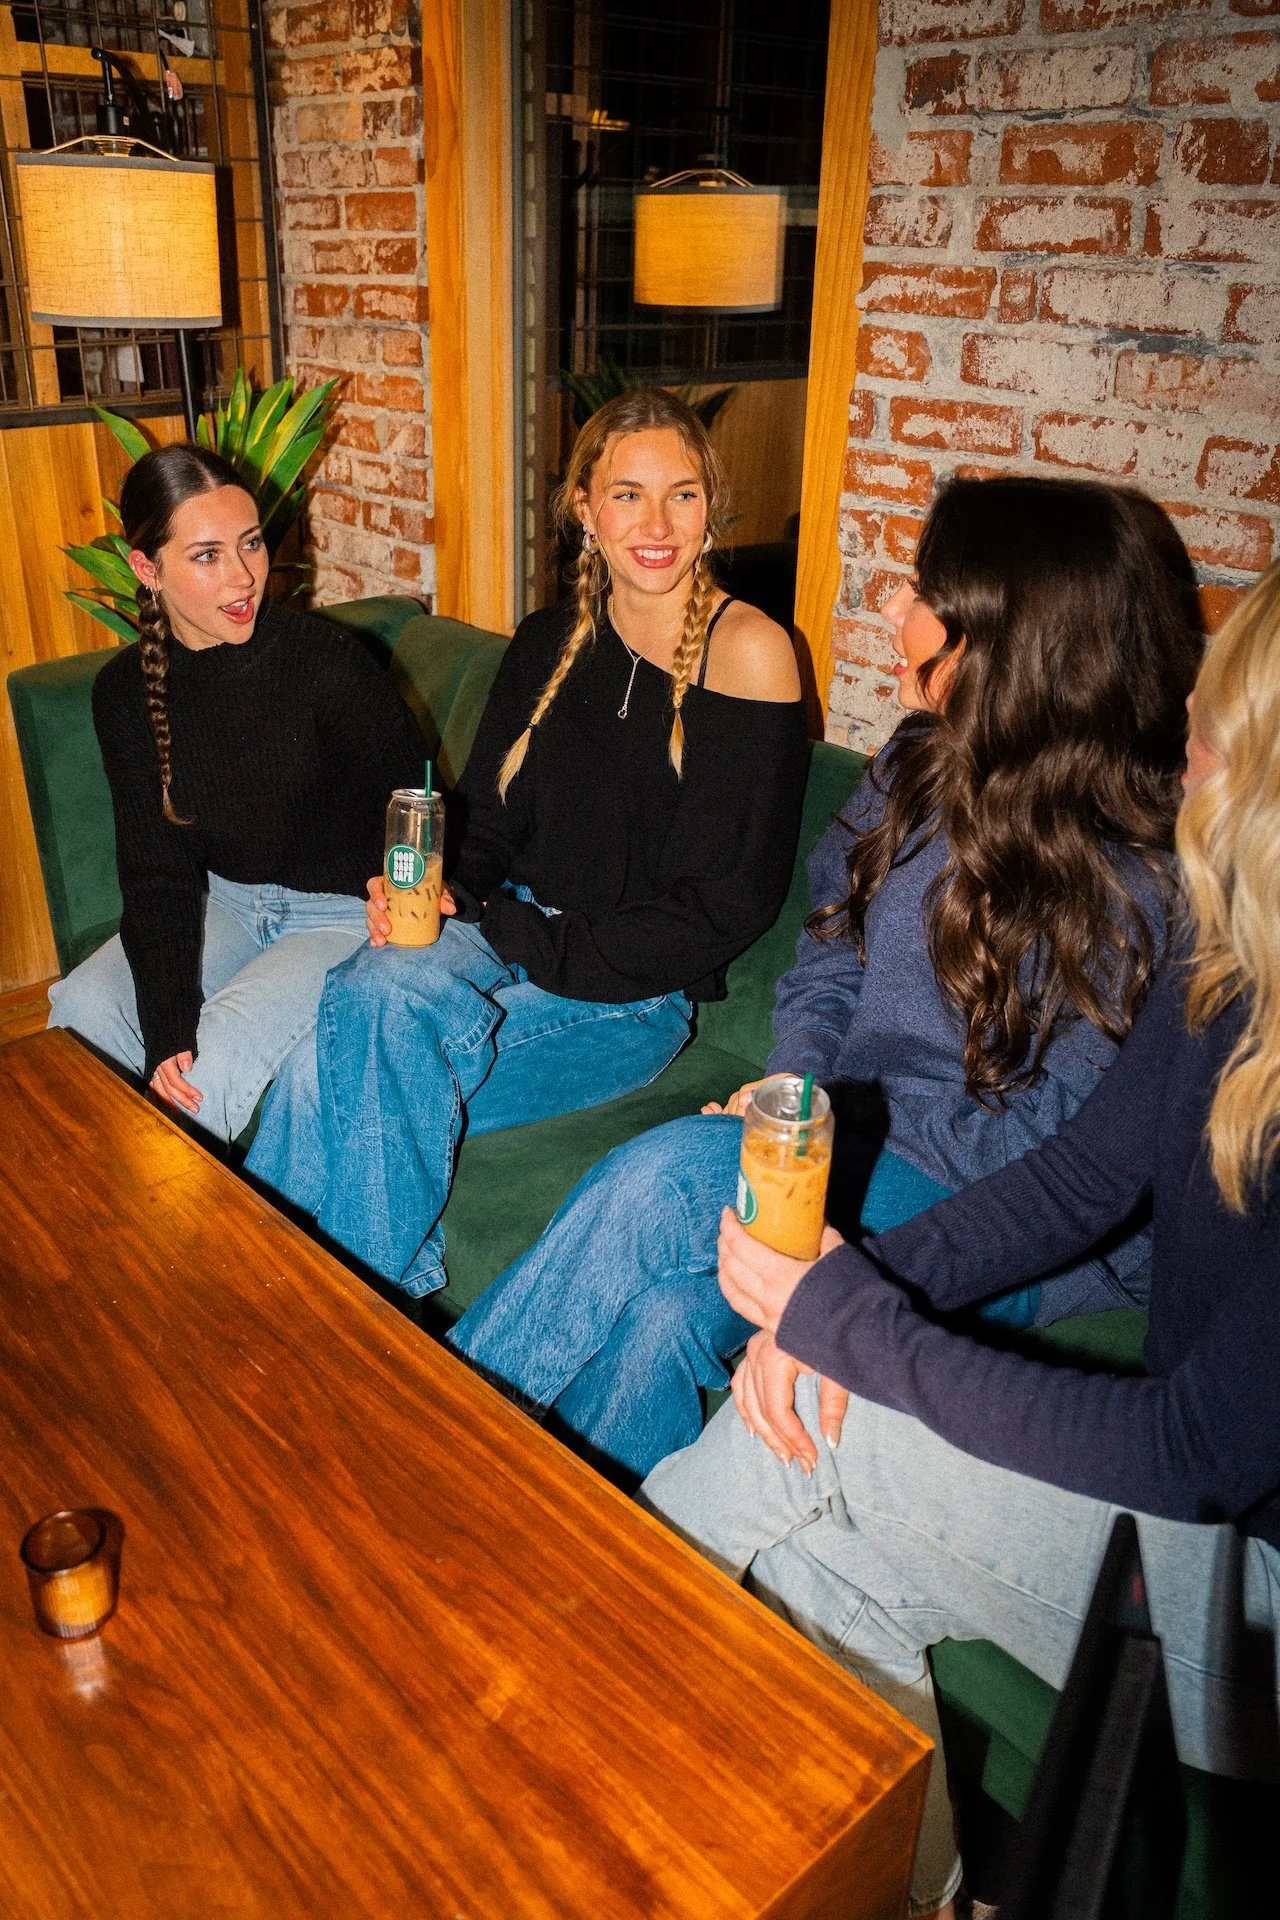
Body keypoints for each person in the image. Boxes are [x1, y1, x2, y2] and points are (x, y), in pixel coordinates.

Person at [639, 560, 1280, 1920]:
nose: (1183, 749)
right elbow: (1082, 1184)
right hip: (1202, 1519)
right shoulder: (1237, 964)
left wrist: (850, 1334)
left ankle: (544, 1723)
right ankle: (912, 1883)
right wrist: (847, 1296)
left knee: (801, 1436)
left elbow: (1201, 1454)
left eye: (1213, 733)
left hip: (1261, 1599)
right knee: (823, 1563)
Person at [448, 477, 1204, 1484]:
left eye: (921, 591)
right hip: (857, 1148)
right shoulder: (918, 762)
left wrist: (809, 1148)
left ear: (1005, 644)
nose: (890, 608)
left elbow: (1054, 1168)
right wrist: (792, 1094)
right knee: (666, 1314)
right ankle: (553, 1552)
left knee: (668, 1179)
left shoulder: (1141, 878)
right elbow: (828, 951)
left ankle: (429, 1460)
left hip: (996, 1228)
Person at [245, 388, 808, 1301]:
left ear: (712, 508)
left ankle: (313, 1329)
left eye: (684, 494)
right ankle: (297, 1324)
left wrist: (507, 930)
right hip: (501, 934)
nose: (657, 523)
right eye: (627, 494)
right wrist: (437, 892)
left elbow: (727, 903)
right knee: (360, 1011)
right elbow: (486, 821)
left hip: (627, 994)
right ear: (585, 509)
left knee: (332, 1058)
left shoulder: (748, 650)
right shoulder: (550, 638)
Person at [47, 444, 426, 1144]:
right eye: (207, 555)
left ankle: (181, 1249)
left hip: (340, 916)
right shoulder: (125, 694)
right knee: (83, 1012)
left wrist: (402, 905)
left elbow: (418, 805)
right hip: (226, 902)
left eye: (250, 544)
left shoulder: (327, 662)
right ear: (146, 568)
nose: (244, 576)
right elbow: (157, 872)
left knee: (204, 1075)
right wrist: (165, 1024)